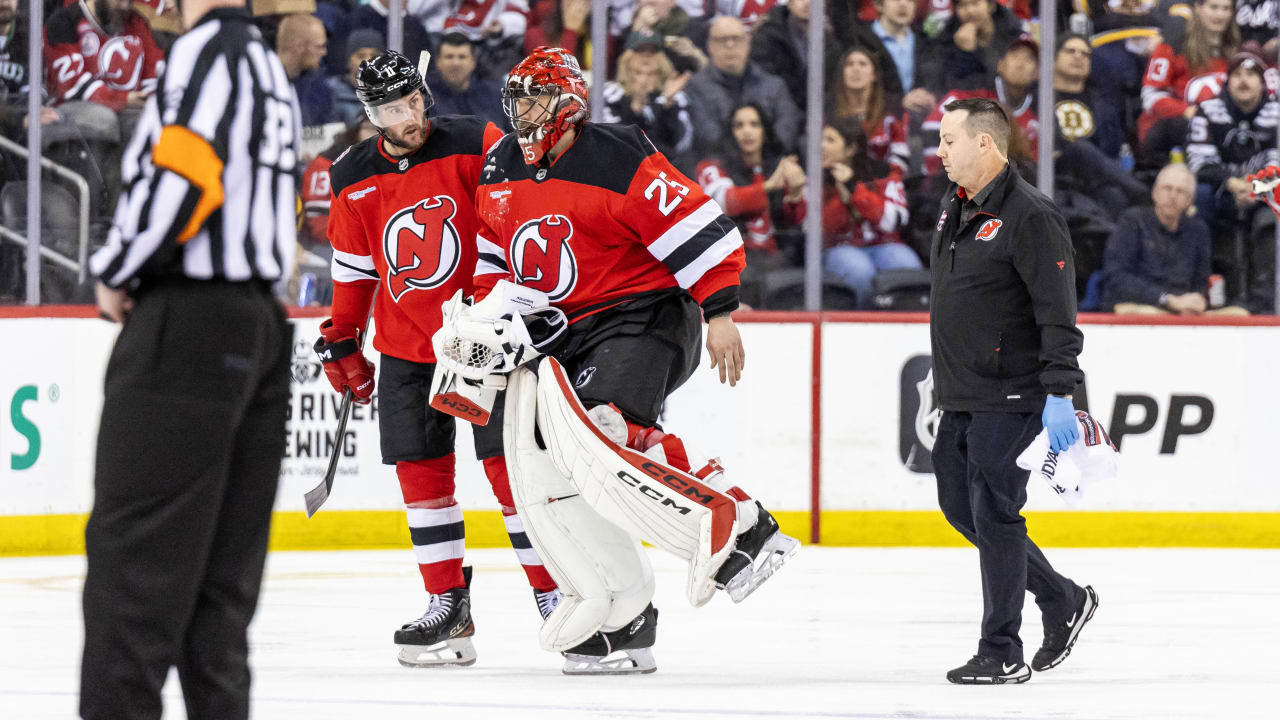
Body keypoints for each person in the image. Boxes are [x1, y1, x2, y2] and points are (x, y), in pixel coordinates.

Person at [463, 47, 799, 673]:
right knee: (553, 463)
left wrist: (719, 310)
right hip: (564, 332)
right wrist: (488, 323)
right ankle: (624, 618)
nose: (522, 113)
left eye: (535, 98)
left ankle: (746, 524)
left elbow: (706, 226)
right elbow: (492, 260)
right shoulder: (500, 165)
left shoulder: (619, 155)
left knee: (604, 426)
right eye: (517, 100)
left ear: (569, 104)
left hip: (644, 316)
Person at [80, 0, 300, 716]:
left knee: (135, 566)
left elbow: (186, 177)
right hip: (258, 324)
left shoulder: (207, 54)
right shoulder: (268, 62)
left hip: (192, 322)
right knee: (219, 588)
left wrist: (116, 269)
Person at [316, 50, 565, 668]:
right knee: (421, 480)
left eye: (414, 101)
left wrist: (488, 310)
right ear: (371, 115)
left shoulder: (475, 140)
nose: (410, 117)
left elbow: (511, 225)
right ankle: (447, 606)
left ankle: (556, 594)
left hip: (483, 341)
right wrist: (344, 337)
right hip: (406, 350)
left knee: (511, 475)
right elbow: (354, 273)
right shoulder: (350, 176)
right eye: (392, 109)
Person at [930, 97, 1098, 684]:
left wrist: (1060, 392)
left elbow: (1058, 314)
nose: (940, 151)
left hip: (1015, 392)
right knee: (960, 506)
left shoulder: (1031, 215)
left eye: (949, 140)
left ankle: (1001, 648)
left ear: (985, 143)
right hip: (962, 392)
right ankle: (1062, 598)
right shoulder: (955, 206)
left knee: (996, 511)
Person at [695, 102, 805, 306]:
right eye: (739, 125)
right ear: (730, 132)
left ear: (765, 130)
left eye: (754, 124)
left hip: (776, 260)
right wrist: (769, 186)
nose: (747, 131)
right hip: (731, 260)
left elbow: (794, 222)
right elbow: (726, 200)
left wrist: (796, 193)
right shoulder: (712, 166)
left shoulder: (777, 165)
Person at [1101, 163, 1248, 314]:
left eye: (1180, 191)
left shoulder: (1198, 230)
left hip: (1183, 308)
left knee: (1239, 314)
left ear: (1189, 200)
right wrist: (1166, 299)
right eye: (1167, 188)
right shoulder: (1132, 220)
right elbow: (1116, 277)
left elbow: (1201, 281)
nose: (1172, 196)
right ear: (1155, 193)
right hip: (1142, 305)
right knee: (1147, 313)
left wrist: (1197, 299)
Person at [815, 117, 917, 307]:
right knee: (860, 270)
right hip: (839, 248)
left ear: (851, 149)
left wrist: (853, 188)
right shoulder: (815, 177)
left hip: (884, 244)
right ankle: (862, 326)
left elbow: (891, 221)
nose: (822, 146)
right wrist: (838, 192)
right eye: (820, 139)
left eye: (830, 140)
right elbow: (824, 227)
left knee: (907, 265)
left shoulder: (882, 173)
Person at [685, 15, 800, 155]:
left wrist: (763, 157)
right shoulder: (694, 87)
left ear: (748, 42)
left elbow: (786, 131)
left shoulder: (775, 86)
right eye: (722, 40)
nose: (730, 45)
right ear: (710, 46)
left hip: (770, 164)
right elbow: (707, 135)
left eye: (736, 39)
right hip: (719, 166)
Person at [600, 32, 696, 173]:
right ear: (627, 60)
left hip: (666, 174)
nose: (646, 58)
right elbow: (610, 143)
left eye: (652, 52)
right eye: (639, 51)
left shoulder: (676, 97)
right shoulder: (609, 94)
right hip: (619, 173)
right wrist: (634, 111)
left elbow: (681, 144)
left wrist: (667, 105)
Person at [828, 46, 909, 177]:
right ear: (842, 74)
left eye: (862, 64)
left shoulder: (891, 113)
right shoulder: (829, 114)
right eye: (849, 64)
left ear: (874, 75)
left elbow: (901, 161)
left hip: (881, 186)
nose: (856, 69)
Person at [427, 32, 506, 127]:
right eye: (449, 57)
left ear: (473, 61)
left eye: (462, 57)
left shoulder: (494, 96)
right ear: (438, 61)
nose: (455, 63)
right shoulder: (425, 97)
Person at [276, 12, 333, 125]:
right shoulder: (263, 82)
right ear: (299, 47)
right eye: (319, 46)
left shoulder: (318, 87)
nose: (324, 52)